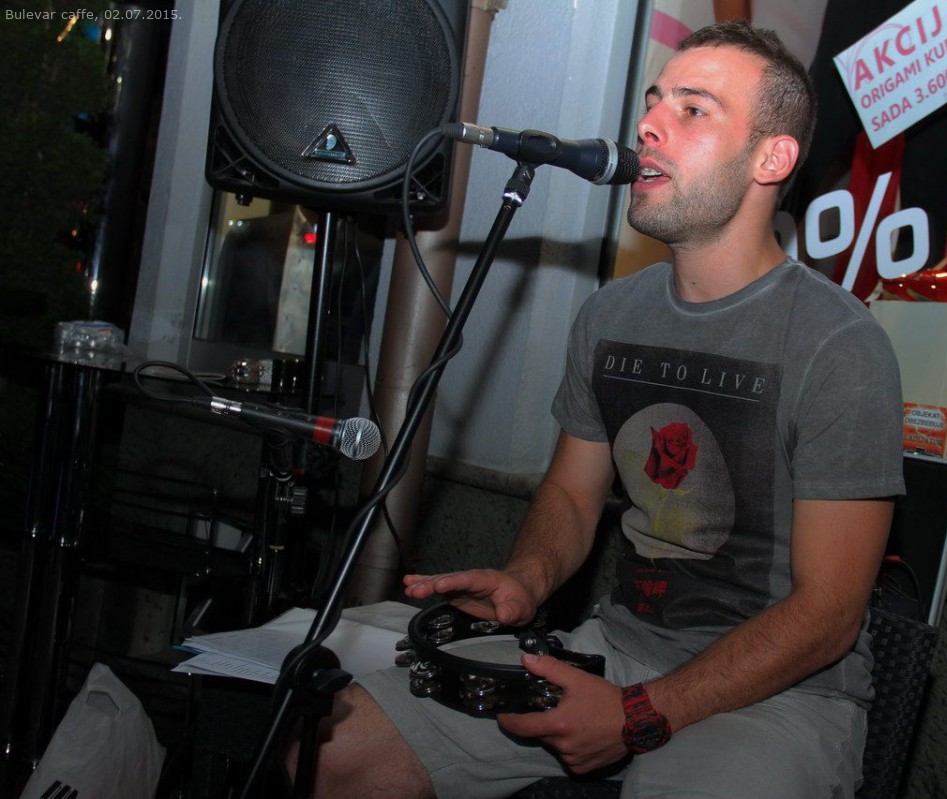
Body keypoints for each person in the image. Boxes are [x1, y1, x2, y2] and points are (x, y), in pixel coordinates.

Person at [295, 19, 905, 799]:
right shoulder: (612, 314)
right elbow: (571, 494)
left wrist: (641, 712)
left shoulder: (840, 344)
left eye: (693, 109)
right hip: (615, 648)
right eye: (653, 102)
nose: (648, 124)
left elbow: (829, 613)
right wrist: (527, 576)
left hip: (780, 697)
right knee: (331, 751)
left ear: (772, 158)